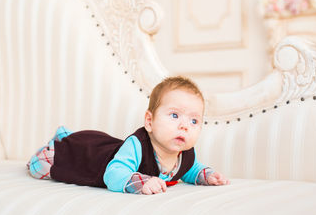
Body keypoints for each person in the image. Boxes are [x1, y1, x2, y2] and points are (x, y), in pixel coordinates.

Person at [27, 76, 230, 195]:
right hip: (89, 156)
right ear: (149, 122)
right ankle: (58, 144)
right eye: (175, 115)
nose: (184, 126)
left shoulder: (184, 154)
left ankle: (64, 138)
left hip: (105, 147)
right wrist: (140, 182)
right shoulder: (137, 145)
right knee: (43, 165)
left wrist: (207, 175)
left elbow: (190, 170)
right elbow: (113, 174)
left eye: (194, 121)